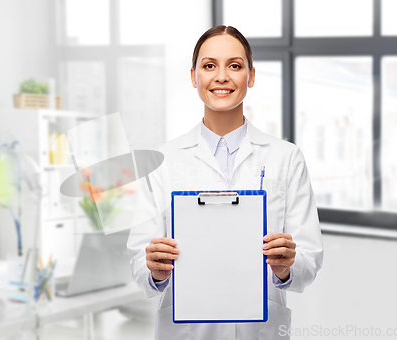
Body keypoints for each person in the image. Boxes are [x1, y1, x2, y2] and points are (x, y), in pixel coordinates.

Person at [127, 25, 323, 340]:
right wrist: (154, 269)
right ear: (194, 77)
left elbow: (309, 261)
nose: (221, 76)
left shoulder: (286, 157)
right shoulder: (162, 161)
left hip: (260, 330)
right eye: (209, 66)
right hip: (187, 330)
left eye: (234, 65)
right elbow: (139, 258)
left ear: (252, 75)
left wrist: (287, 266)